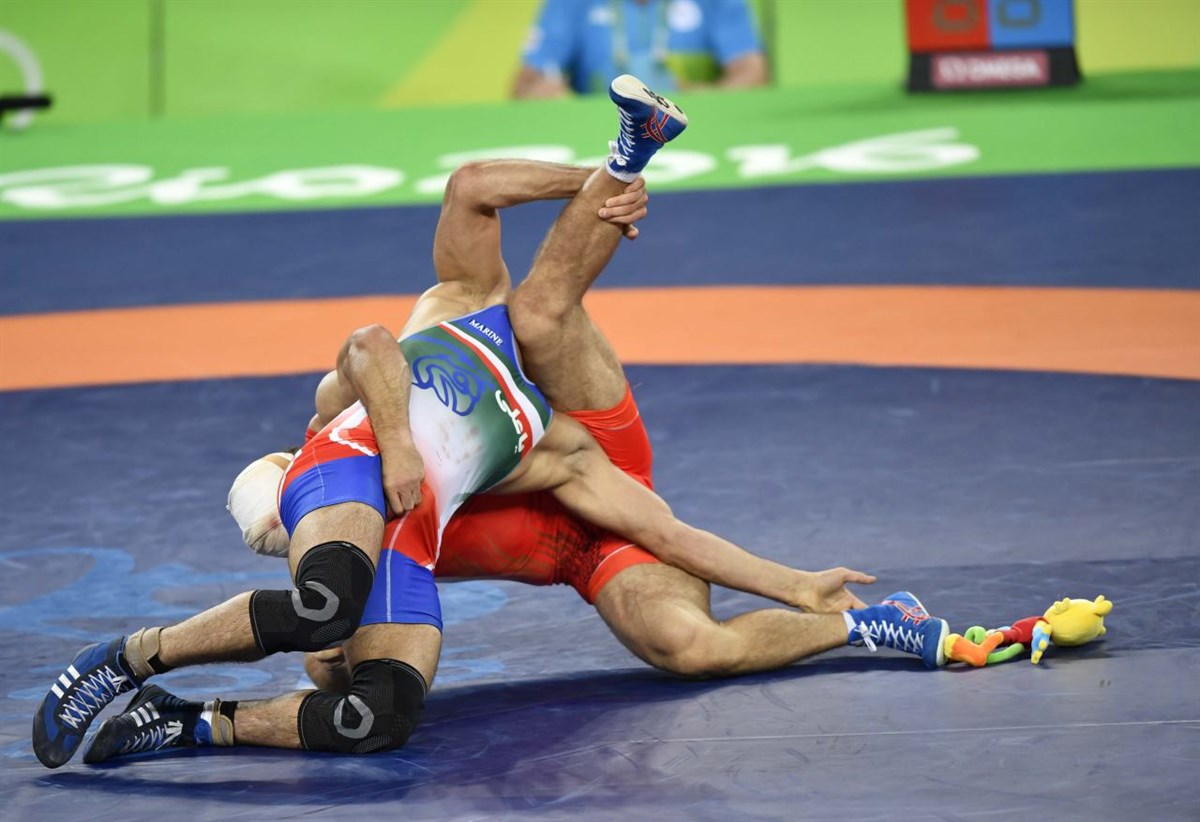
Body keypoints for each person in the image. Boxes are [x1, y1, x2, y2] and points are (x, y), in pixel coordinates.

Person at [34, 76, 948, 769]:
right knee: (326, 619)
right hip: (378, 497)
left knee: (375, 710)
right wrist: (388, 448)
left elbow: (666, 530)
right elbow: (363, 353)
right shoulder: (423, 354)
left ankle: (194, 724)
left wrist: (796, 585)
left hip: (443, 517)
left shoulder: (548, 427)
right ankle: (123, 663)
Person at [514, 0, 767, 99]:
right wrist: (549, 95)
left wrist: (702, 99)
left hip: (691, 128)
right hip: (600, 136)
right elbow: (525, 84)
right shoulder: (568, 4)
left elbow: (752, 73)